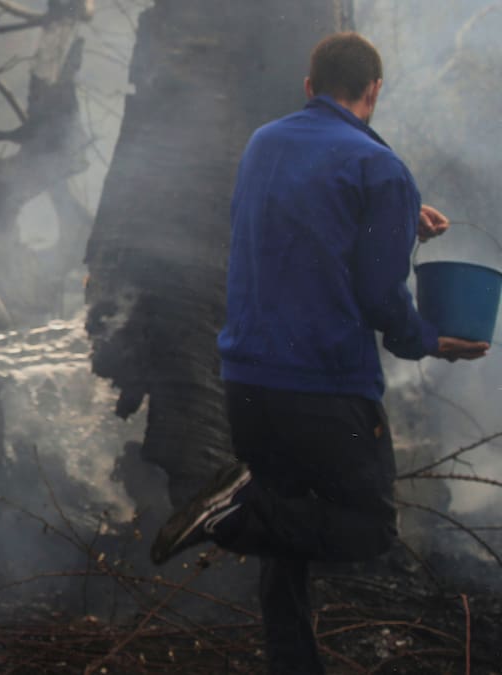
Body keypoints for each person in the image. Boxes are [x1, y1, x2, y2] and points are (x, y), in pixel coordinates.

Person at [149, 32, 489, 674]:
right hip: (324, 385)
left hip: (246, 378)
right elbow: (381, 295)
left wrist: (397, 211)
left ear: (309, 88)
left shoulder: (263, 144)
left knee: (290, 542)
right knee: (367, 526)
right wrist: (428, 342)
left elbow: (301, 218)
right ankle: (232, 514)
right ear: (376, 91)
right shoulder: (378, 167)